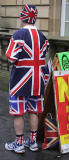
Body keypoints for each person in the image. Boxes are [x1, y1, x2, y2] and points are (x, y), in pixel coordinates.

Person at [5, 4, 52, 154]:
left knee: (18, 112)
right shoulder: (43, 37)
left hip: (20, 81)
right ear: (35, 19)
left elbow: (11, 58)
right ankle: (32, 143)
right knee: (33, 111)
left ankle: (18, 144)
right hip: (37, 81)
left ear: (22, 17)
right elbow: (44, 56)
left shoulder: (18, 35)